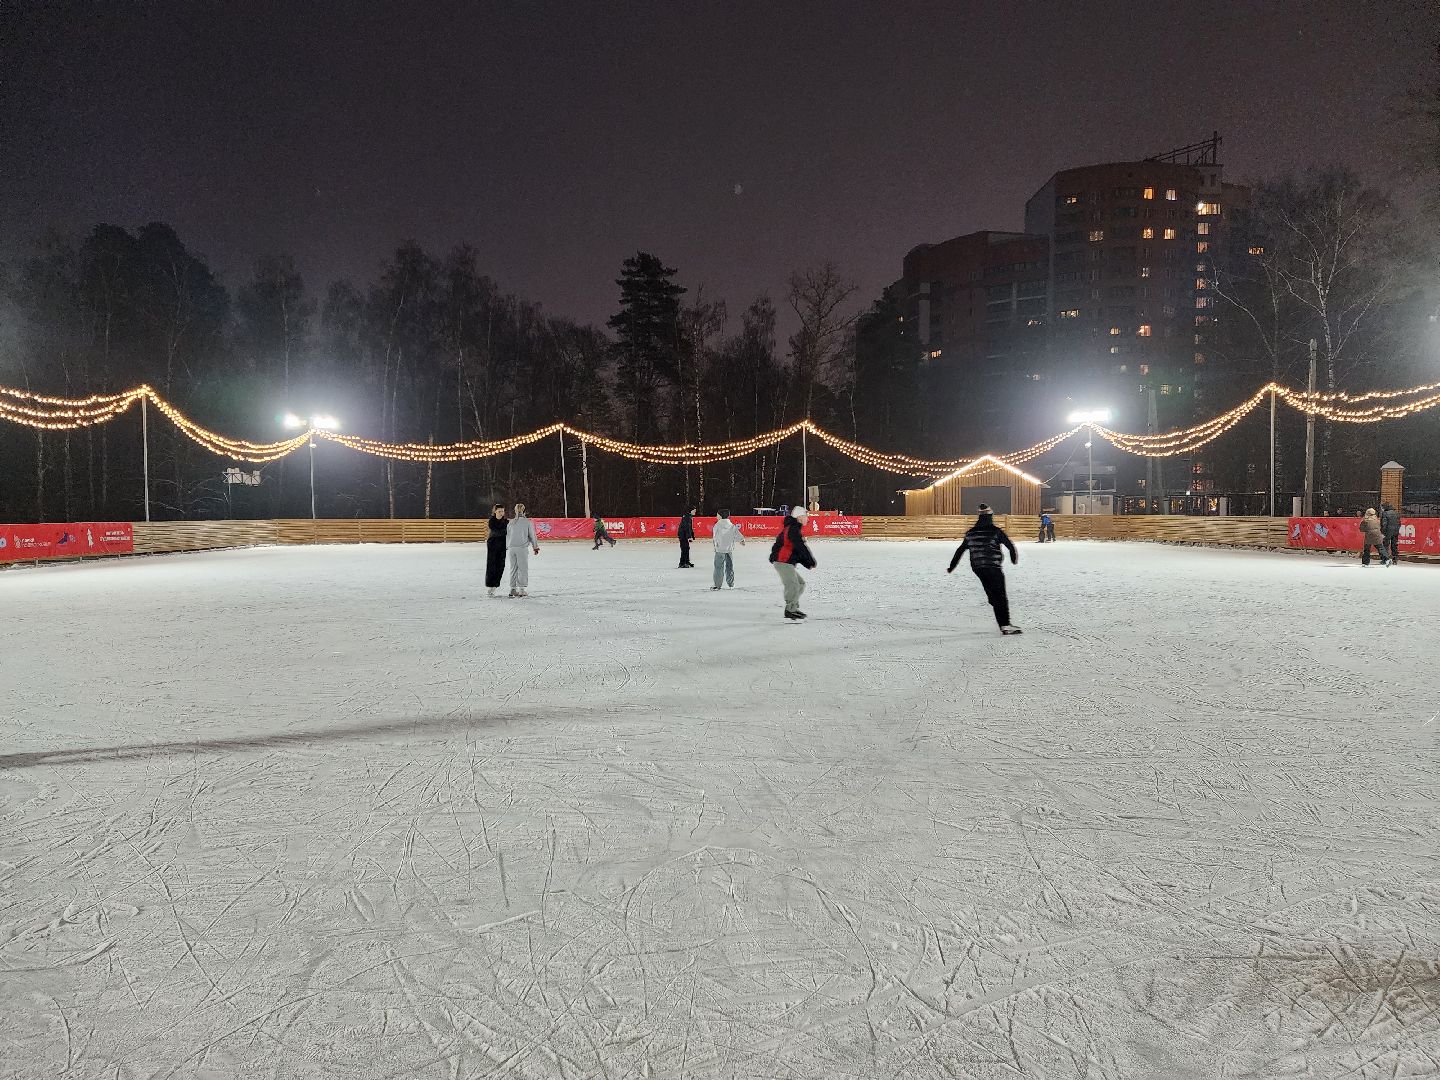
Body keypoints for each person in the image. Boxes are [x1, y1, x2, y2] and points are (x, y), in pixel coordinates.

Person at [947, 503, 1022, 635]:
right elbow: (1010, 545)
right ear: (990, 516)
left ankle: (995, 603)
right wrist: (1013, 558)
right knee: (1000, 596)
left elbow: (960, 550)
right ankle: (1005, 624)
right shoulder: (996, 531)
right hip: (993, 567)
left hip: (978, 568)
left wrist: (952, 566)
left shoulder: (971, 533)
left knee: (993, 594)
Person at [769, 504, 816, 620]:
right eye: (806, 516)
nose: (808, 519)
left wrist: (806, 562)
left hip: (785, 561)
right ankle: (790, 610)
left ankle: (793, 608)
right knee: (793, 585)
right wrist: (809, 561)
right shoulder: (793, 529)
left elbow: (795, 549)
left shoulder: (793, 528)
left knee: (800, 584)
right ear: (799, 517)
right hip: (782, 561)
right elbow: (800, 547)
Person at [507, 502, 541, 596]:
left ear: (515, 511)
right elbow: (532, 536)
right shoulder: (527, 522)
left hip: (511, 549)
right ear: (524, 511)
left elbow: (508, 536)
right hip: (521, 548)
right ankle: (521, 590)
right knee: (522, 568)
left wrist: (507, 546)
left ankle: (512, 589)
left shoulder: (511, 522)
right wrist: (535, 547)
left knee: (513, 568)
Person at [711, 509, 744, 590]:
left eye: (717, 515)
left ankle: (717, 585)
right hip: (729, 549)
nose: (716, 516)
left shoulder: (717, 525)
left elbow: (714, 537)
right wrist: (741, 540)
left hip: (720, 550)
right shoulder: (732, 525)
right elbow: (737, 534)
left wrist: (715, 546)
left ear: (721, 516)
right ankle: (731, 584)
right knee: (730, 566)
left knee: (718, 567)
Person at [485, 503, 508, 597]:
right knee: (492, 565)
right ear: (495, 511)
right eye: (499, 511)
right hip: (493, 544)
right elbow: (496, 531)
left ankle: (495, 585)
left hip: (502, 545)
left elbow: (507, 532)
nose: (501, 513)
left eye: (503, 511)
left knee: (500, 565)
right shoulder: (492, 521)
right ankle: (490, 585)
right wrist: (504, 531)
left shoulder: (506, 522)